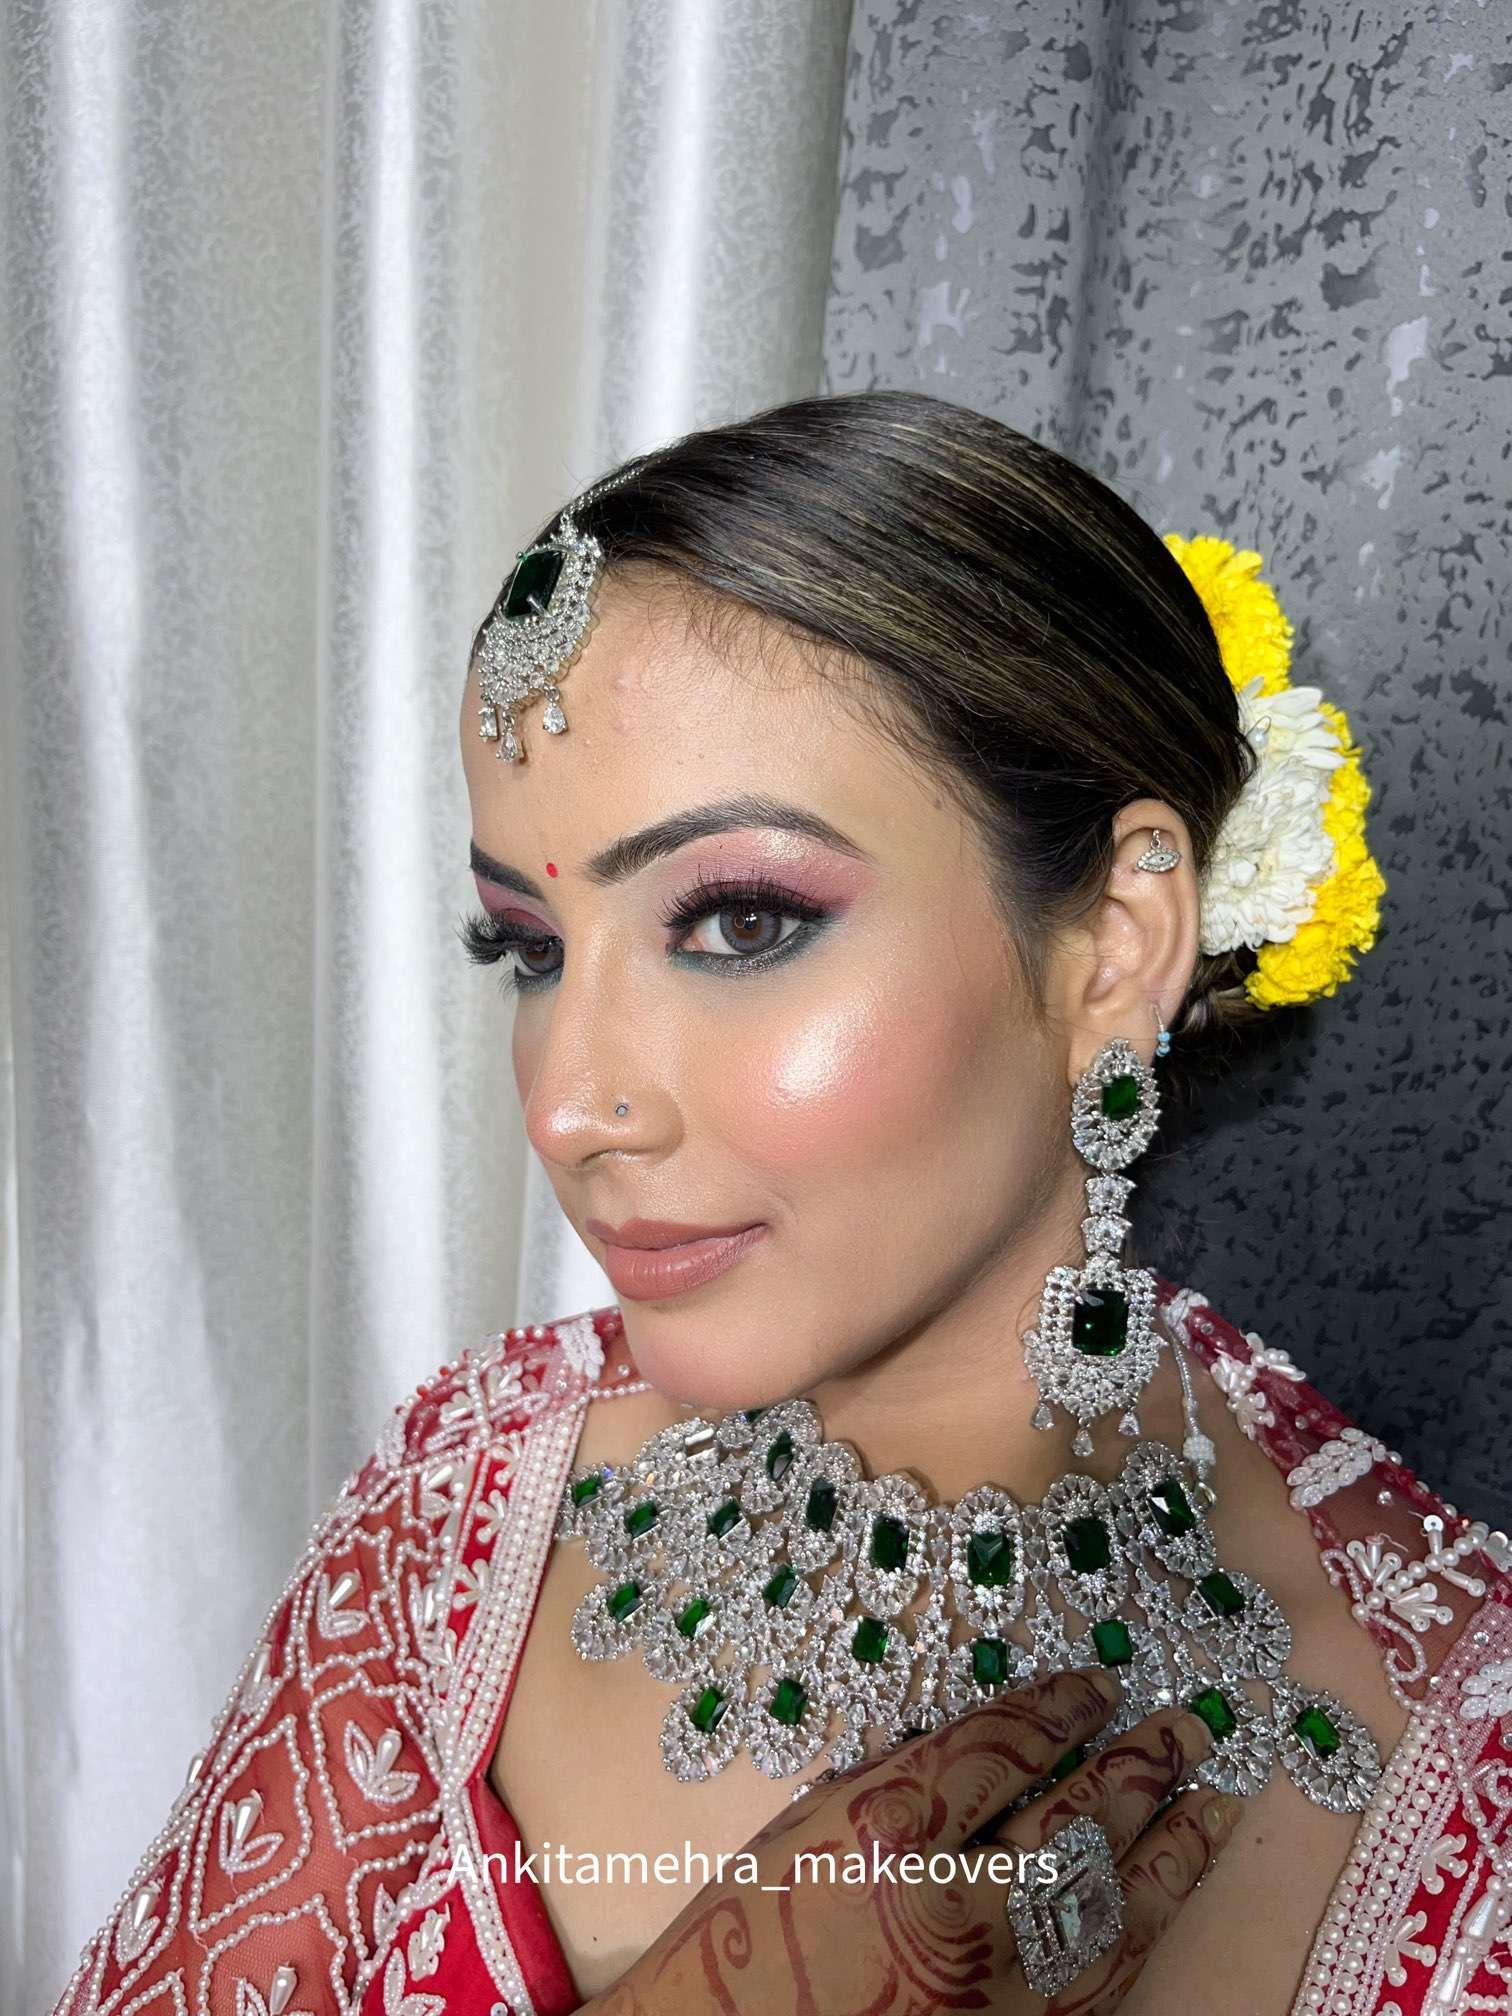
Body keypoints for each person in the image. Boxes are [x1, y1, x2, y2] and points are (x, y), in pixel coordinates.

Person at [49, 391, 1512, 2016]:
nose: (568, 1102)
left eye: (739, 923)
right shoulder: (471, 1504)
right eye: (530, 949)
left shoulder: (1459, 1748)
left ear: (1115, 944)